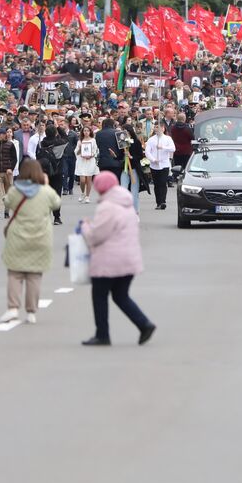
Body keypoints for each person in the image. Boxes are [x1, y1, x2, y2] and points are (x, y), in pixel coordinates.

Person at [80, 172, 155, 346]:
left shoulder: (107, 207)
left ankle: (102, 334)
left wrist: (85, 227)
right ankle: (144, 324)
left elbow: (97, 236)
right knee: (120, 295)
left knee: (99, 296)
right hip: (128, 258)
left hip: (109, 260)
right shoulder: (127, 203)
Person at [0, 157, 61, 324]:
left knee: (15, 273)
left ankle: (12, 308)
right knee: (34, 275)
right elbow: (57, 203)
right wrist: (46, 185)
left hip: (18, 236)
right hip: (41, 237)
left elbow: (7, 203)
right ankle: (31, 312)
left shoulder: (15, 190)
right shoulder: (45, 191)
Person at [144, 122, 175, 211]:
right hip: (154, 165)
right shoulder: (151, 140)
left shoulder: (168, 139)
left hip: (164, 164)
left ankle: (163, 202)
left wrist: (163, 147)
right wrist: (153, 159)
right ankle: (158, 202)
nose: (156, 129)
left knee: (163, 183)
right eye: (155, 127)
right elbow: (147, 152)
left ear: (163, 128)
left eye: (158, 127)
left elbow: (173, 148)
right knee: (157, 184)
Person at [74, 125, 99, 203]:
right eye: (84, 131)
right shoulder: (80, 141)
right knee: (82, 180)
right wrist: (81, 148)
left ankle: (87, 196)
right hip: (81, 161)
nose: (86, 132)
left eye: (87, 131)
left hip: (90, 161)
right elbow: (76, 152)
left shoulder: (93, 140)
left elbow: (95, 150)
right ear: (82, 132)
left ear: (90, 132)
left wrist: (91, 155)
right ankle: (82, 193)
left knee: (89, 179)